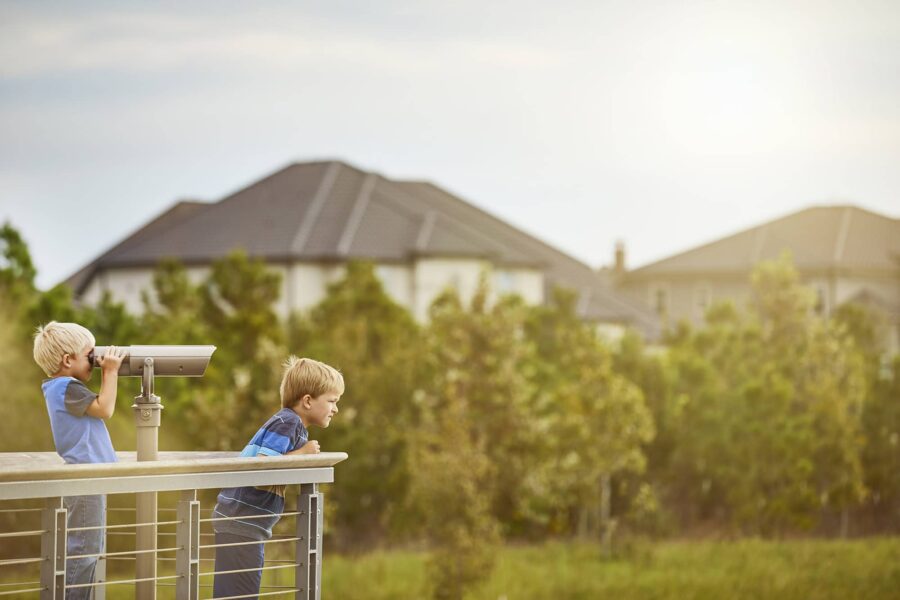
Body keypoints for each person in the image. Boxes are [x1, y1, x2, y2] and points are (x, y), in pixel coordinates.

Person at [212, 356, 343, 598]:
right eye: (332, 401)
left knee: (232, 593)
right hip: (242, 524)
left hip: (243, 524)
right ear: (307, 401)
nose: (336, 409)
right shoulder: (289, 422)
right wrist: (303, 454)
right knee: (242, 593)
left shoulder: (291, 424)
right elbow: (264, 466)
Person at [33, 322, 127, 600]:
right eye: (90, 356)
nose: (95, 362)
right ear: (67, 360)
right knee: (84, 553)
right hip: (86, 478)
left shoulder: (60, 388)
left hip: (87, 476)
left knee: (87, 550)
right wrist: (111, 371)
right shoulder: (66, 386)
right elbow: (105, 409)